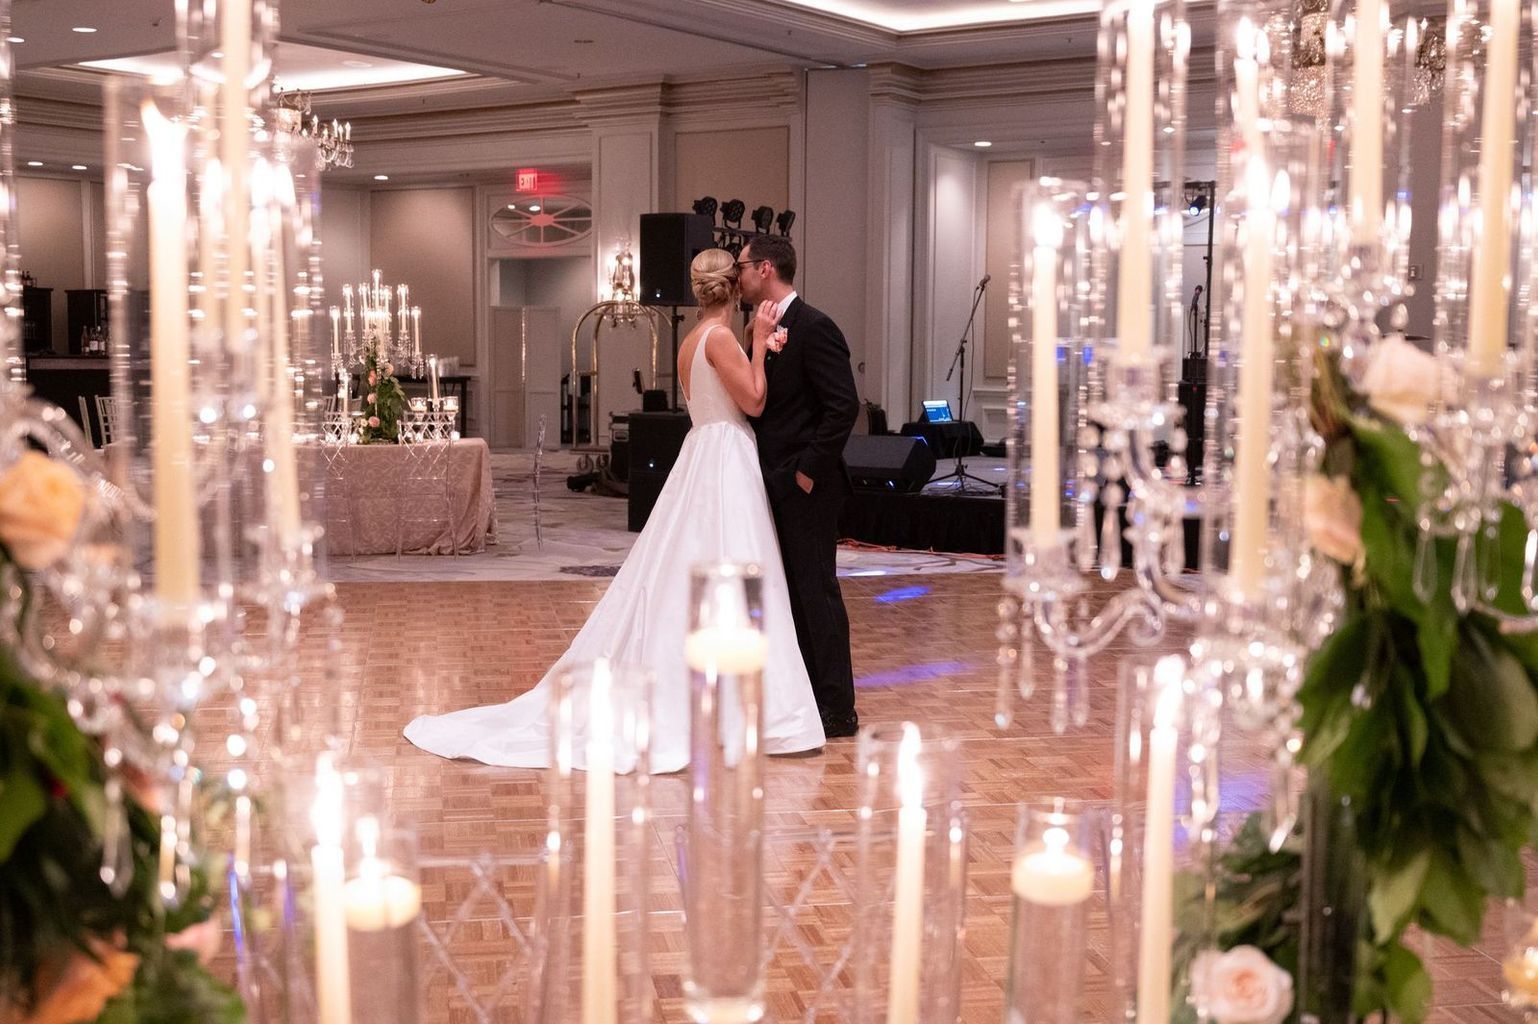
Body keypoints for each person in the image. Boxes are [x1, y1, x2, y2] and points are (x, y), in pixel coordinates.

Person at [403, 248, 825, 772]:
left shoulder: (692, 341)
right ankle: (743, 709)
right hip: (725, 460)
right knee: (735, 570)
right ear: (733, 290)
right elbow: (755, 402)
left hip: (703, 455)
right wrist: (761, 345)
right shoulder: (721, 339)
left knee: (689, 567)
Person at [735, 235, 861, 738]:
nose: (738, 276)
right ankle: (807, 694)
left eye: (743, 265)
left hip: (808, 485)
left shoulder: (814, 326)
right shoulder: (759, 329)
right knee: (788, 594)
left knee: (817, 591)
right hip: (771, 481)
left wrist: (807, 471)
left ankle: (838, 707)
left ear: (765, 269)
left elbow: (842, 406)